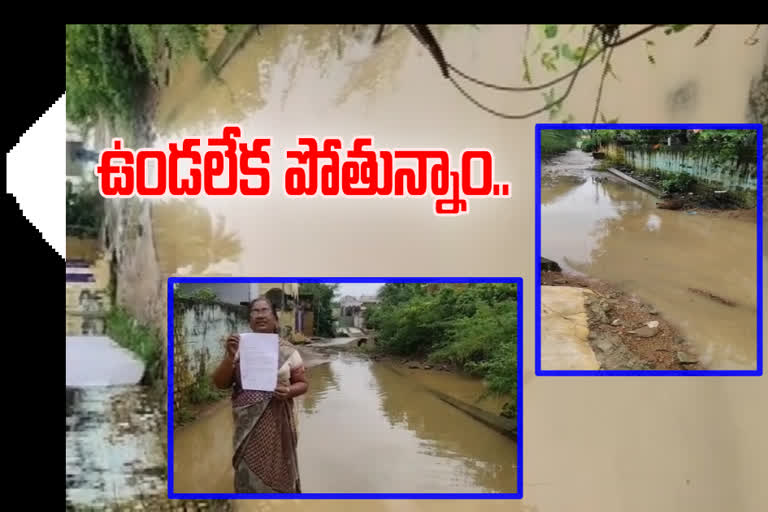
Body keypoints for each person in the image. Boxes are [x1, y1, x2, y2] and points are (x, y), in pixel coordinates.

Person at [212, 296, 308, 493]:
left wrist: (289, 391)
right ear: (249, 320)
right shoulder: (238, 348)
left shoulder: (288, 351)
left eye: (265, 310)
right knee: (247, 469)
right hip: (246, 425)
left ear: (275, 319)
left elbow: (303, 384)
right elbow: (220, 384)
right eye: (255, 311)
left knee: (278, 467)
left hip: (278, 424)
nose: (260, 315)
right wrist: (230, 356)